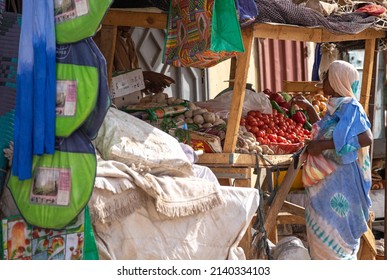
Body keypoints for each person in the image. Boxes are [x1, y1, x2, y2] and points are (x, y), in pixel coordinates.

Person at [292, 60, 373, 260]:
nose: (323, 80)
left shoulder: (351, 107)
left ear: (338, 80)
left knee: (336, 240)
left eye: (327, 76)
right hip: (326, 186)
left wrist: (322, 146)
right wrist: (310, 109)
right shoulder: (336, 108)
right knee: (321, 239)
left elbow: (366, 138)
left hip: (341, 185)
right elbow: (326, 132)